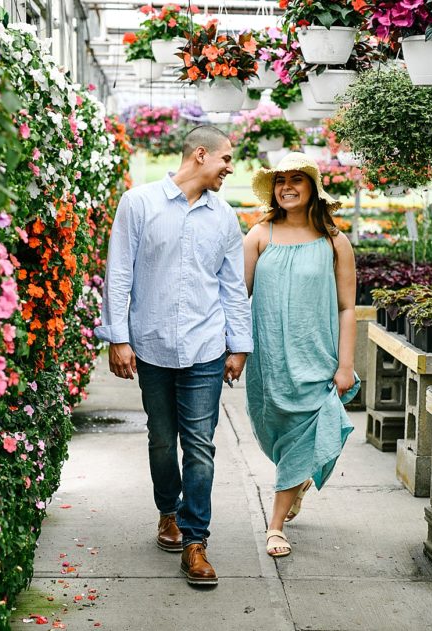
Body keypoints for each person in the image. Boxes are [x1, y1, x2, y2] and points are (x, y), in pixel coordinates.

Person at [94, 126, 253, 586]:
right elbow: (118, 273)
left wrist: (239, 346)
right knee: (162, 440)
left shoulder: (223, 217)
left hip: (205, 346)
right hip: (152, 345)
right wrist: (117, 338)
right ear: (200, 155)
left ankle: (195, 541)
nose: (229, 167)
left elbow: (231, 287)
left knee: (200, 446)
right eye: (225, 159)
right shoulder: (138, 203)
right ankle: (168, 510)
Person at [242, 152, 360, 558]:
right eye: (280, 181)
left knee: (305, 435)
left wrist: (345, 365)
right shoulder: (260, 235)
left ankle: (275, 526)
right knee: (276, 433)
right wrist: (233, 351)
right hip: (270, 361)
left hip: (318, 358)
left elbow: (348, 307)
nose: (287, 187)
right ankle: (297, 481)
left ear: (313, 189)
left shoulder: (335, 241)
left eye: (297, 179)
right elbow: (239, 299)